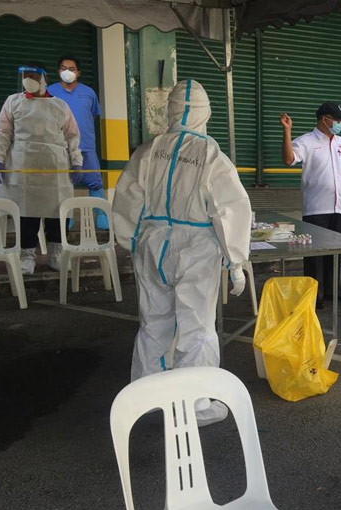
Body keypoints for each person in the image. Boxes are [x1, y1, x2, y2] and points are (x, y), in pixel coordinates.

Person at [113, 79, 251, 427]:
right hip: (196, 249)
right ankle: (195, 405)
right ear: (206, 114)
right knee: (197, 326)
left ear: (170, 110)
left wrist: (129, 240)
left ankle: (146, 396)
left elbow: (128, 198)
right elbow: (229, 209)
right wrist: (236, 261)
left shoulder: (149, 150)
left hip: (152, 244)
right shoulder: (211, 156)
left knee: (154, 323)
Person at [0, 62, 82, 274]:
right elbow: (4, 133)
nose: (28, 80)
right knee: (27, 214)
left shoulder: (60, 105)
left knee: (57, 214)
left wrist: (77, 161)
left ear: (44, 79)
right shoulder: (13, 102)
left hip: (55, 167)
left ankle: (56, 255)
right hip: (23, 167)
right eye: (25, 76)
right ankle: (27, 257)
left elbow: (72, 135)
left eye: (33, 76)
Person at [281, 102, 341, 309]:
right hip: (317, 208)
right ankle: (314, 295)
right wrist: (287, 131)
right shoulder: (306, 141)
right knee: (315, 255)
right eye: (337, 120)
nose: (339, 123)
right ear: (325, 119)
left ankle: (331, 291)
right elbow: (288, 159)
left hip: (339, 206)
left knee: (336, 251)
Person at [47, 56, 108, 230]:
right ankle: (67, 220)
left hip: (86, 146)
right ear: (58, 71)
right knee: (63, 185)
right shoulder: (50, 92)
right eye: (63, 68)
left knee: (95, 181)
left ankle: (102, 219)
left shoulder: (88, 92)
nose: (67, 71)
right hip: (60, 148)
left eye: (71, 69)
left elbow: (93, 115)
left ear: (78, 73)